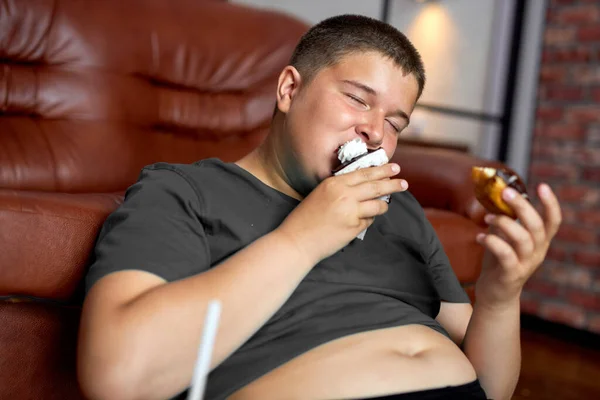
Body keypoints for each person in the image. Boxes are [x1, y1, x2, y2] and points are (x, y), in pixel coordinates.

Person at [77, 14, 562, 400]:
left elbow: (492, 389)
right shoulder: (184, 190)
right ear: (290, 89)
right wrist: (303, 239)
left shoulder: (400, 209)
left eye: (396, 122)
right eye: (357, 99)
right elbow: (117, 376)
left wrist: (501, 297)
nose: (376, 132)